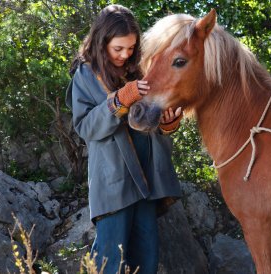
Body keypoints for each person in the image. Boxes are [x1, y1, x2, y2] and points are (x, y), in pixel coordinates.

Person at [65, 4, 183, 273]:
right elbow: (85, 127)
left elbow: (154, 121)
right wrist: (120, 100)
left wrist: (168, 123)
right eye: (118, 48)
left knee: (147, 262)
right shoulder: (86, 75)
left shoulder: (142, 70)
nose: (125, 54)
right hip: (112, 183)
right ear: (101, 40)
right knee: (109, 262)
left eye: (130, 48)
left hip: (147, 181)